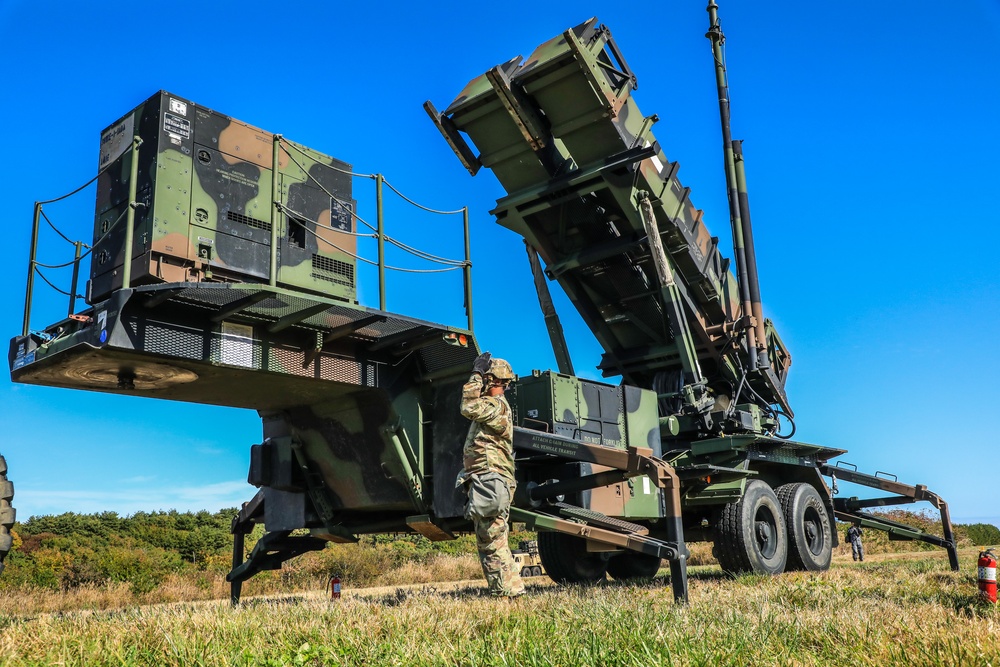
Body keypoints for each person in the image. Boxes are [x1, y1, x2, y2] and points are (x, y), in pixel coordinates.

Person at [457, 351, 525, 598]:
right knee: (495, 539)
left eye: (485, 379)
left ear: (494, 381)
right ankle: (511, 591)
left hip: (490, 478)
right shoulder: (497, 407)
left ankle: (505, 594)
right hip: (490, 479)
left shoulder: (495, 407)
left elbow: (467, 405)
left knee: (490, 541)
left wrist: (475, 373)